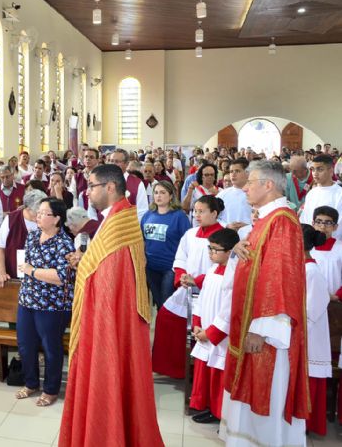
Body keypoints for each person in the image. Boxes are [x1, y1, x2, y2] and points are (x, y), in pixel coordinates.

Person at [59, 164, 162, 446]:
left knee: (108, 382)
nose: (86, 191)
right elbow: (105, 266)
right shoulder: (116, 216)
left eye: (91, 186)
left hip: (107, 323)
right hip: (107, 316)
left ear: (109, 187)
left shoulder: (118, 222)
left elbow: (110, 281)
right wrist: (85, 260)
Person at [220, 160, 309, 446]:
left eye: (251, 181)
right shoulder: (266, 219)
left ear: (268, 185)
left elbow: (279, 277)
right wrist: (236, 248)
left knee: (267, 391)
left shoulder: (281, 221)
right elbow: (255, 264)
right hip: (250, 322)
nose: (245, 187)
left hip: (266, 333)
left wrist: (261, 329)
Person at [152, 195, 224, 379]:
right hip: (187, 288)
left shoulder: (223, 236)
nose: (197, 216)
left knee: (200, 328)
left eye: (202, 211)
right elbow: (180, 257)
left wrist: (198, 280)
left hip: (211, 292)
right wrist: (182, 276)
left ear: (214, 213)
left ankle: (198, 370)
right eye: (195, 212)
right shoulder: (190, 234)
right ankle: (175, 367)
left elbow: (224, 267)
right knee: (166, 317)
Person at [14, 197, 74, 407]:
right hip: (27, 299)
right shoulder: (32, 236)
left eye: (43, 213)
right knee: (25, 345)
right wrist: (32, 272)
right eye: (38, 212)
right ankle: (31, 383)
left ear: (57, 218)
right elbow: (25, 263)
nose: (38, 216)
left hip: (52, 305)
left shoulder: (64, 243)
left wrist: (33, 271)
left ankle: (51, 389)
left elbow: (60, 277)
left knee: (51, 347)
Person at [188, 227, 239, 425]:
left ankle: (218, 412)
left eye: (215, 249)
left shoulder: (233, 275)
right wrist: (197, 324)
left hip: (220, 335)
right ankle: (206, 405)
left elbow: (229, 310)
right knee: (205, 369)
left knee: (218, 372)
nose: (211, 252)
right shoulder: (211, 271)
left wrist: (211, 333)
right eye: (210, 248)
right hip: (205, 329)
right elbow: (200, 299)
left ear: (230, 252)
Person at [301, 224, 332, 436]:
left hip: (309, 338)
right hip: (300, 334)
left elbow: (313, 309)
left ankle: (306, 423)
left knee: (308, 381)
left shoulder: (311, 271)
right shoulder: (300, 267)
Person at [141, 180, 191, 310]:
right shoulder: (148, 215)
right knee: (158, 304)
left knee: (166, 304)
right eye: (156, 193)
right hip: (151, 267)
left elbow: (188, 242)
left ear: (170, 196)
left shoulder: (179, 216)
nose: (158, 196)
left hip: (170, 268)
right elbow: (142, 239)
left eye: (162, 193)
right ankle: (160, 329)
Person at [0, 189, 46, 286]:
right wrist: (2, 272)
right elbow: (0, 248)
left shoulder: (46, 221)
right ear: (28, 208)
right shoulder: (10, 219)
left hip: (40, 279)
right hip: (14, 276)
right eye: (38, 212)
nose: (40, 216)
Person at [300, 154, 342, 240]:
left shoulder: (339, 194)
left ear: (331, 171)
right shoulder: (311, 193)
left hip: (333, 244)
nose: (315, 173)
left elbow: (339, 223)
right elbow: (305, 218)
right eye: (313, 169)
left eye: (320, 169)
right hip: (311, 242)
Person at [107, 149, 149, 220]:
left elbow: (142, 211)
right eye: (111, 161)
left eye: (117, 161)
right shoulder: (101, 180)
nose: (113, 164)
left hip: (127, 227)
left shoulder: (137, 183)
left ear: (127, 164)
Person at [310, 206, 342, 295]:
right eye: (318, 222)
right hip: (311, 300)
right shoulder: (307, 248)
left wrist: (338, 296)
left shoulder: (340, 248)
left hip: (335, 301)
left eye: (328, 223)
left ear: (335, 227)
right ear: (313, 224)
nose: (322, 227)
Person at [219, 158, 252, 229]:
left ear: (247, 172)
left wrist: (248, 226)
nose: (233, 174)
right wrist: (226, 225)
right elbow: (213, 217)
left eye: (237, 171)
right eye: (231, 171)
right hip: (226, 235)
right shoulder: (222, 194)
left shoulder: (257, 193)